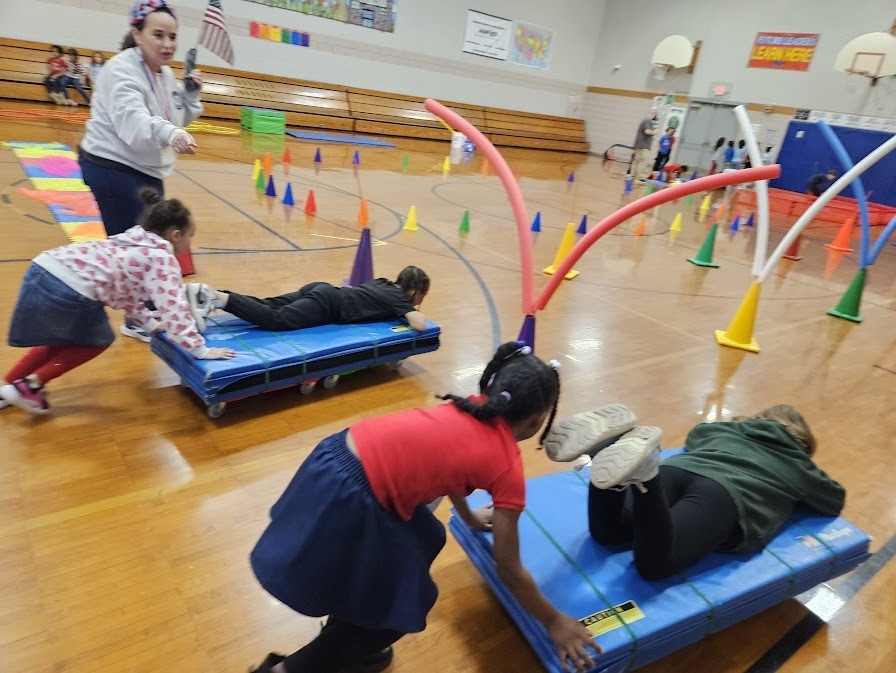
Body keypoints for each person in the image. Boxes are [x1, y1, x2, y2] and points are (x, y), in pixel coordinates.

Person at [247, 342, 601, 673]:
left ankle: (347, 625)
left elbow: (450, 469)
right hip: (358, 500)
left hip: (332, 460)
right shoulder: (507, 464)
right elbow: (508, 567)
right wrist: (555, 622)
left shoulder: (468, 405)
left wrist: (468, 516)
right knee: (401, 608)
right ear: (538, 420)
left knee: (426, 533)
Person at [0, 189, 235, 414]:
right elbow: (174, 308)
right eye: (190, 236)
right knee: (97, 341)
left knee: (64, 339)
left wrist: (151, 326)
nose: (189, 243)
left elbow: (128, 296)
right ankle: (29, 386)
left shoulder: (133, 239)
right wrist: (200, 349)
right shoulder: (161, 257)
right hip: (69, 289)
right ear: (176, 234)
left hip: (43, 269)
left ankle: (6, 389)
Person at [550, 404, 845, 581]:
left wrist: (734, 427)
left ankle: (608, 449)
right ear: (802, 440)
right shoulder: (799, 464)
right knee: (654, 564)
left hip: (678, 469)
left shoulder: (728, 431)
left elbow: (696, 434)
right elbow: (834, 499)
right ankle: (645, 476)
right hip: (724, 493)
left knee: (609, 533)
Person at [79, 0, 203, 341]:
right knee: (140, 248)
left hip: (146, 168)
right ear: (137, 33)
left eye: (173, 37)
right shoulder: (122, 69)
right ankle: (137, 316)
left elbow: (176, 116)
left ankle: (146, 308)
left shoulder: (163, 73)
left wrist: (190, 97)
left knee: (150, 243)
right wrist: (171, 133)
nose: (167, 44)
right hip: (113, 166)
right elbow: (134, 122)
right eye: (158, 35)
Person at [184, 266, 431, 333]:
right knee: (276, 320)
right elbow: (419, 325)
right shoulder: (400, 298)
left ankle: (211, 297)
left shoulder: (383, 283)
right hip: (328, 304)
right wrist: (409, 308)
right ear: (414, 293)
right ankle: (216, 296)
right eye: (422, 296)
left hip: (322, 288)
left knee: (266, 303)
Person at [629, 106, 657, 182]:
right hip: (643, 145)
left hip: (638, 144)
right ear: (654, 113)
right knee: (642, 161)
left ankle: (632, 175)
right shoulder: (648, 121)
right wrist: (654, 132)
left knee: (637, 160)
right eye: (656, 113)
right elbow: (647, 131)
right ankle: (638, 177)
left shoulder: (645, 120)